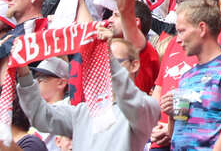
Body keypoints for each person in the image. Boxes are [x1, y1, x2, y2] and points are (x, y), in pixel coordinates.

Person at [17, 34, 161, 151]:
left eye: (112, 61)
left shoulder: (147, 107)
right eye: (100, 61)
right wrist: (23, 71)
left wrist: (109, 58)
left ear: (134, 64)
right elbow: (41, 115)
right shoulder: (83, 111)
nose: (104, 67)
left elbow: (130, 98)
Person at [165, 0, 221, 151]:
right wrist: (171, 115)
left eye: (182, 31)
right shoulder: (186, 77)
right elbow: (177, 131)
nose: (178, 39)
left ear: (202, 28)